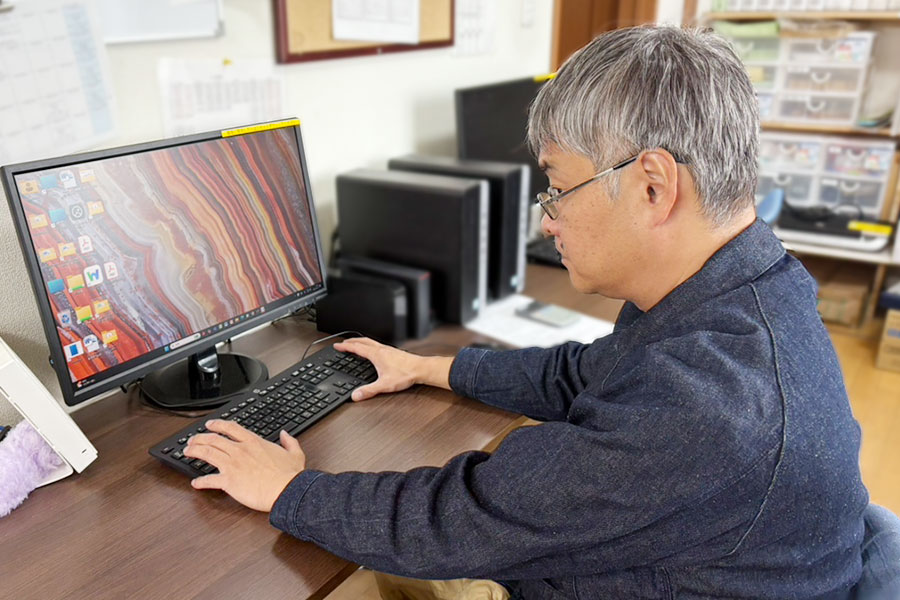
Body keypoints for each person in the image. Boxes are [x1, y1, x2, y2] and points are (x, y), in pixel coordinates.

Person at [184, 25, 869, 599]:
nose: (548, 222)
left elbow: (462, 520)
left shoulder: (706, 403)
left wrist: (291, 490)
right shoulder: (739, 294)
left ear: (654, 187)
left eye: (558, 188)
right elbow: (589, 373)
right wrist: (435, 368)